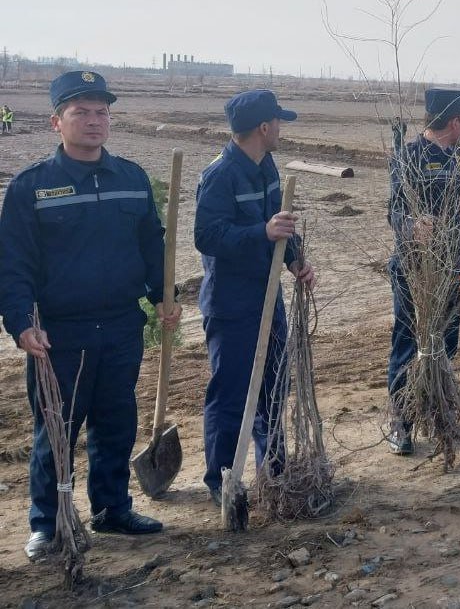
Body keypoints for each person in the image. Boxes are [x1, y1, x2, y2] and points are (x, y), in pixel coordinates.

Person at [0, 71, 177, 559]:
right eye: (81, 112)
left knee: (116, 421)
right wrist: (20, 324)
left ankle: (112, 509)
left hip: (121, 325)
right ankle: (49, 523)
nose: (94, 121)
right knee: (56, 428)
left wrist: (163, 292)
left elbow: (151, 243)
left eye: (102, 112)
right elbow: (13, 265)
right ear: (57, 121)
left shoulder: (132, 178)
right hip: (59, 333)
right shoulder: (32, 187)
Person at [195, 89, 315, 504]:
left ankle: (274, 471)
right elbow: (206, 236)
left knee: (273, 388)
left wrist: (296, 261)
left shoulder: (267, 167)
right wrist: (259, 233)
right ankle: (222, 481)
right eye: (278, 122)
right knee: (231, 394)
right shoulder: (220, 175)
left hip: (269, 296)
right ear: (264, 127)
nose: (281, 128)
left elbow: (280, 226)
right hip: (231, 303)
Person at [386, 88, 460, 453]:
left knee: (446, 341)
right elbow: (393, 210)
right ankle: (401, 422)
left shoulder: (451, 158)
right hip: (413, 268)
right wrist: (412, 227)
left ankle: (441, 414)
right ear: (454, 122)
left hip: (447, 269)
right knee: (409, 344)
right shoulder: (407, 157)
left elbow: (455, 217)